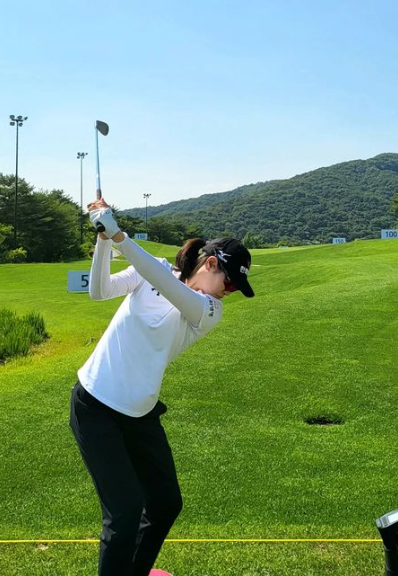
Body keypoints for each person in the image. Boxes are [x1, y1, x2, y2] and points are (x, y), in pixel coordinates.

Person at [70, 198, 254, 576]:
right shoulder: (152, 269)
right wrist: (104, 240)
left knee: (166, 503)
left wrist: (119, 236)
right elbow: (99, 291)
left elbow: (164, 283)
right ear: (210, 263)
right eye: (230, 282)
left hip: (139, 413)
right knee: (124, 513)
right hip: (96, 405)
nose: (230, 291)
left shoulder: (208, 310)